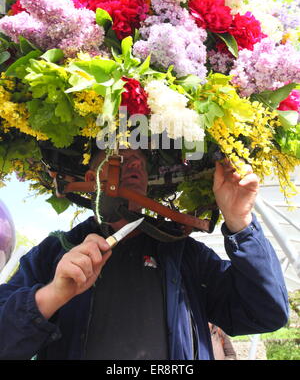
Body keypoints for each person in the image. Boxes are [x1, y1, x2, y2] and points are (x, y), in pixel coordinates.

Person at [0, 148, 289, 360]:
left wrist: (240, 223)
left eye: (141, 160)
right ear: (92, 177)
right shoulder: (55, 252)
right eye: (121, 157)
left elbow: (265, 313)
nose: (136, 161)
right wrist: (52, 295)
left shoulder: (185, 254)